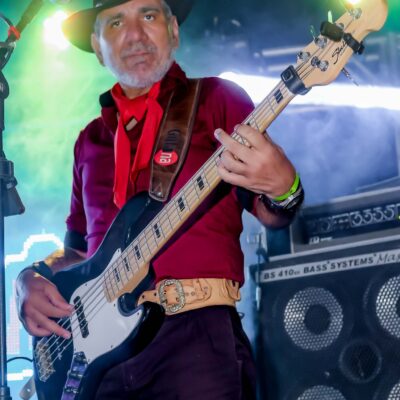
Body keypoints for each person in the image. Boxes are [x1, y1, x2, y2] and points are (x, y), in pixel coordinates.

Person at [16, 0, 304, 398]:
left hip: (194, 342)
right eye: (116, 22)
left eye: (148, 16)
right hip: (101, 361)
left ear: (174, 31)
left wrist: (285, 188)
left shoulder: (217, 99)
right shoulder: (89, 141)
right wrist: (30, 279)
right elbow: (78, 256)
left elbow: (270, 211)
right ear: (97, 46)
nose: (135, 35)